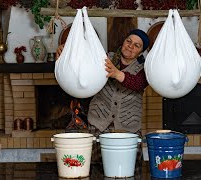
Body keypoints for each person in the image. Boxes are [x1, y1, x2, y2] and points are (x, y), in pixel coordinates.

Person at [56, 29, 150, 175]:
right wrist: (65, 53)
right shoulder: (105, 57)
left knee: (131, 168)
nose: (130, 46)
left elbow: (139, 84)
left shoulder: (146, 68)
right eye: (129, 41)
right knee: (96, 167)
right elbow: (82, 64)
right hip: (99, 122)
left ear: (141, 52)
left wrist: (117, 73)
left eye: (137, 45)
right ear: (124, 41)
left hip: (128, 126)